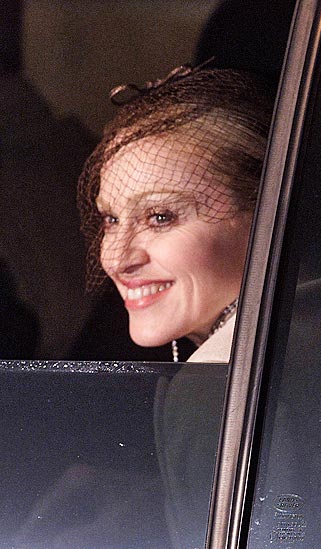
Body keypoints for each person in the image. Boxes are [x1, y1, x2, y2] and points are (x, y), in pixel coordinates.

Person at [78, 66, 273, 362]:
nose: (117, 260)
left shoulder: (220, 373)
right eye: (111, 220)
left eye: (160, 217)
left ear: (263, 215)